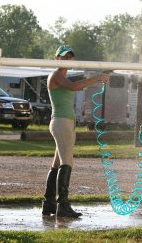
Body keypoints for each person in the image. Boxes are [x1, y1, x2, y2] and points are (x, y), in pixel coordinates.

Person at [42, 45, 109, 218]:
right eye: (65, 57)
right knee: (67, 162)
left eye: (70, 57)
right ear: (57, 58)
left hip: (64, 122)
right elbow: (74, 87)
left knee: (57, 164)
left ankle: (48, 203)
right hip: (61, 122)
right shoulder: (56, 74)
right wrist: (97, 78)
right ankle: (62, 205)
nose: (68, 60)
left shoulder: (63, 76)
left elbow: (75, 85)